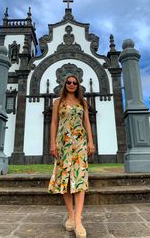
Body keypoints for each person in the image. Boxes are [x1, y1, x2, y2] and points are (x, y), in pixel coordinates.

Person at [48, 75, 95, 238]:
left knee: (80, 178)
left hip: (80, 143)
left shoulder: (83, 102)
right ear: (65, 84)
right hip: (63, 144)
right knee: (65, 179)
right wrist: (53, 144)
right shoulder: (57, 102)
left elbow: (87, 122)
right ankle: (70, 214)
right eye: (69, 82)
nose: (72, 84)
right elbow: (54, 123)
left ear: (78, 85)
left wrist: (91, 141)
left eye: (75, 83)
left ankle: (78, 219)